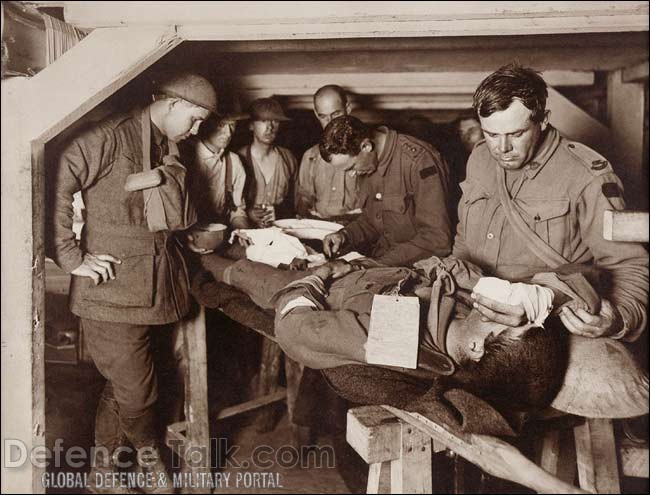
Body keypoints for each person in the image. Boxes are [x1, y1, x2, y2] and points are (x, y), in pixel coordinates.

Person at [46, 72, 217, 493]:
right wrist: (70, 256)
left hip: (153, 287)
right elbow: (53, 186)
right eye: (194, 119)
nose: (197, 130)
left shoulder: (167, 142)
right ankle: (150, 462)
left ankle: (103, 475)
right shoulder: (110, 136)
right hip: (111, 291)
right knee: (138, 391)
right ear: (172, 104)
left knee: (125, 383)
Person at [196, 254, 587, 414]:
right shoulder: (470, 317)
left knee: (241, 269)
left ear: (475, 347)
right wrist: (543, 295)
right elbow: (443, 269)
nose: (507, 310)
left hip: (314, 288)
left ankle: (198, 257)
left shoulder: (398, 339)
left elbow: (298, 329)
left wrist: (317, 277)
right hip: (362, 266)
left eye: (505, 322)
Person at [455, 63, 648, 342]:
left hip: (551, 323)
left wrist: (617, 319)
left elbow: (629, 264)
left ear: (543, 120)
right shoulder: (480, 158)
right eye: (492, 134)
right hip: (473, 305)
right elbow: (464, 236)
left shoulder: (587, 175)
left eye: (517, 134)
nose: (502, 149)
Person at [321, 116, 452, 267]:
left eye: (351, 167)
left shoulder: (420, 161)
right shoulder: (368, 162)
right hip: (381, 259)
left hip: (417, 266)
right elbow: (373, 221)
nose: (352, 174)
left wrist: (377, 263)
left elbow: (437, 239)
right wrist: (346, 235)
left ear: (366, 146)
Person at [295, 85, 363, 222]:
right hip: (319, 228)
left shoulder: (366, 153)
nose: (331, 122)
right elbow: (304, 198)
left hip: (356, 228)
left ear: (348, 108)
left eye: (336, 114)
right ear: (316, 113)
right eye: (323, 116)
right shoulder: (310, 156)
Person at [187, 109, 251, 234]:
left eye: (232, 125)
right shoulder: (186, 157)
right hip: (186, 236)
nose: (228, 133)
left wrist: (244, 231)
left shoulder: (234, 161)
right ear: (205, 123)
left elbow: (236, 209)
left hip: (218, 234)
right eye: (221, 125)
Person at [238, 98, 298, 227]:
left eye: (275, 121)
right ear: (251, 125)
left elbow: (298, 201)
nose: (270, 127)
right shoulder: (237, 158)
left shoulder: (288, 158)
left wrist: (281, 212)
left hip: (282, 232)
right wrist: (248, 213)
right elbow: (226, 205)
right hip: (248, 233)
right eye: (263, 121)